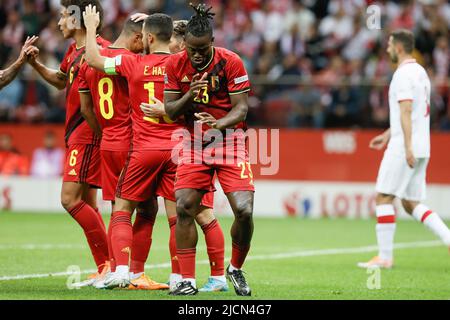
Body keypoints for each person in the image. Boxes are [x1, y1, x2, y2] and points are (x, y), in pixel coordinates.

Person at [83, 5, 216, 290]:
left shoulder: (132, 63)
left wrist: (92, 27)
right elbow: (188, 43)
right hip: (178, 150)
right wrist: (164, 23)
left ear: (149, 38)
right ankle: (179, 277)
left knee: (122, 207)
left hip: (143, 149)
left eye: (144, 35)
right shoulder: (183, 61)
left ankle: (121, 271)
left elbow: (93, 58)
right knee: (177, 215)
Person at [164, 3, 255, 296]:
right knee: (184, 207)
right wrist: (190, 94)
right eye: (192, 49)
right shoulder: (175, 65)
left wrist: (218, 125)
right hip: (194, 144)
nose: (197, 54)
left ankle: (235, 268)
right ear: (185, 44)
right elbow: (169, 110)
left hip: (228, 141)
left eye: (203, 48)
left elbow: (241, 110)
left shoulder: (231, 62)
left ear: (213, 43)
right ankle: (187, 281)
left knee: (243, 210)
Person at [25, 0, 111, 286]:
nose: (60, 22)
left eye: (64, 16)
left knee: (69, 199)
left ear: (78, 19)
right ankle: (107, 267)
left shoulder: (98, 51)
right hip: (77, 134)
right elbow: (62, 80)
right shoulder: (74, 51)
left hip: (87, 134)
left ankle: (110, 265)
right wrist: (35, 63)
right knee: (87, 202)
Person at [78, 17, 168, 290]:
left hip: (107, 142)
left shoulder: (89, 60)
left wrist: (104, 133)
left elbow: (86, 110)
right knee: (147, 208)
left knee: (119, 208)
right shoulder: (133, 62)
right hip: (133, 143)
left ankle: (115, 270)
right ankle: (134, 273)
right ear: (139, 38)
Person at [140, 18, 228, 293]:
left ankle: (211, 277)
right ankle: (185, 276)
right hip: (187, 146)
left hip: (198, 147)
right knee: (187, 213)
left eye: (178, 43)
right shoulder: (180, 66)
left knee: (200, 214)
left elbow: (195, 110)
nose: (176, 48)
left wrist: (164, 111)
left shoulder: (195, 67)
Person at [358, 29, 450, 269]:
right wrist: (388, 134)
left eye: (389, 45)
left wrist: (405, 145)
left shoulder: (402, 74)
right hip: (422, 145)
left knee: (383, 197)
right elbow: (414, 112)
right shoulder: (421, 72)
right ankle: (448, 238)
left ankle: (385, 257)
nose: (387, 49)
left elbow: (407, 110)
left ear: (398, 47)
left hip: (406, 147)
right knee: (410, 202)